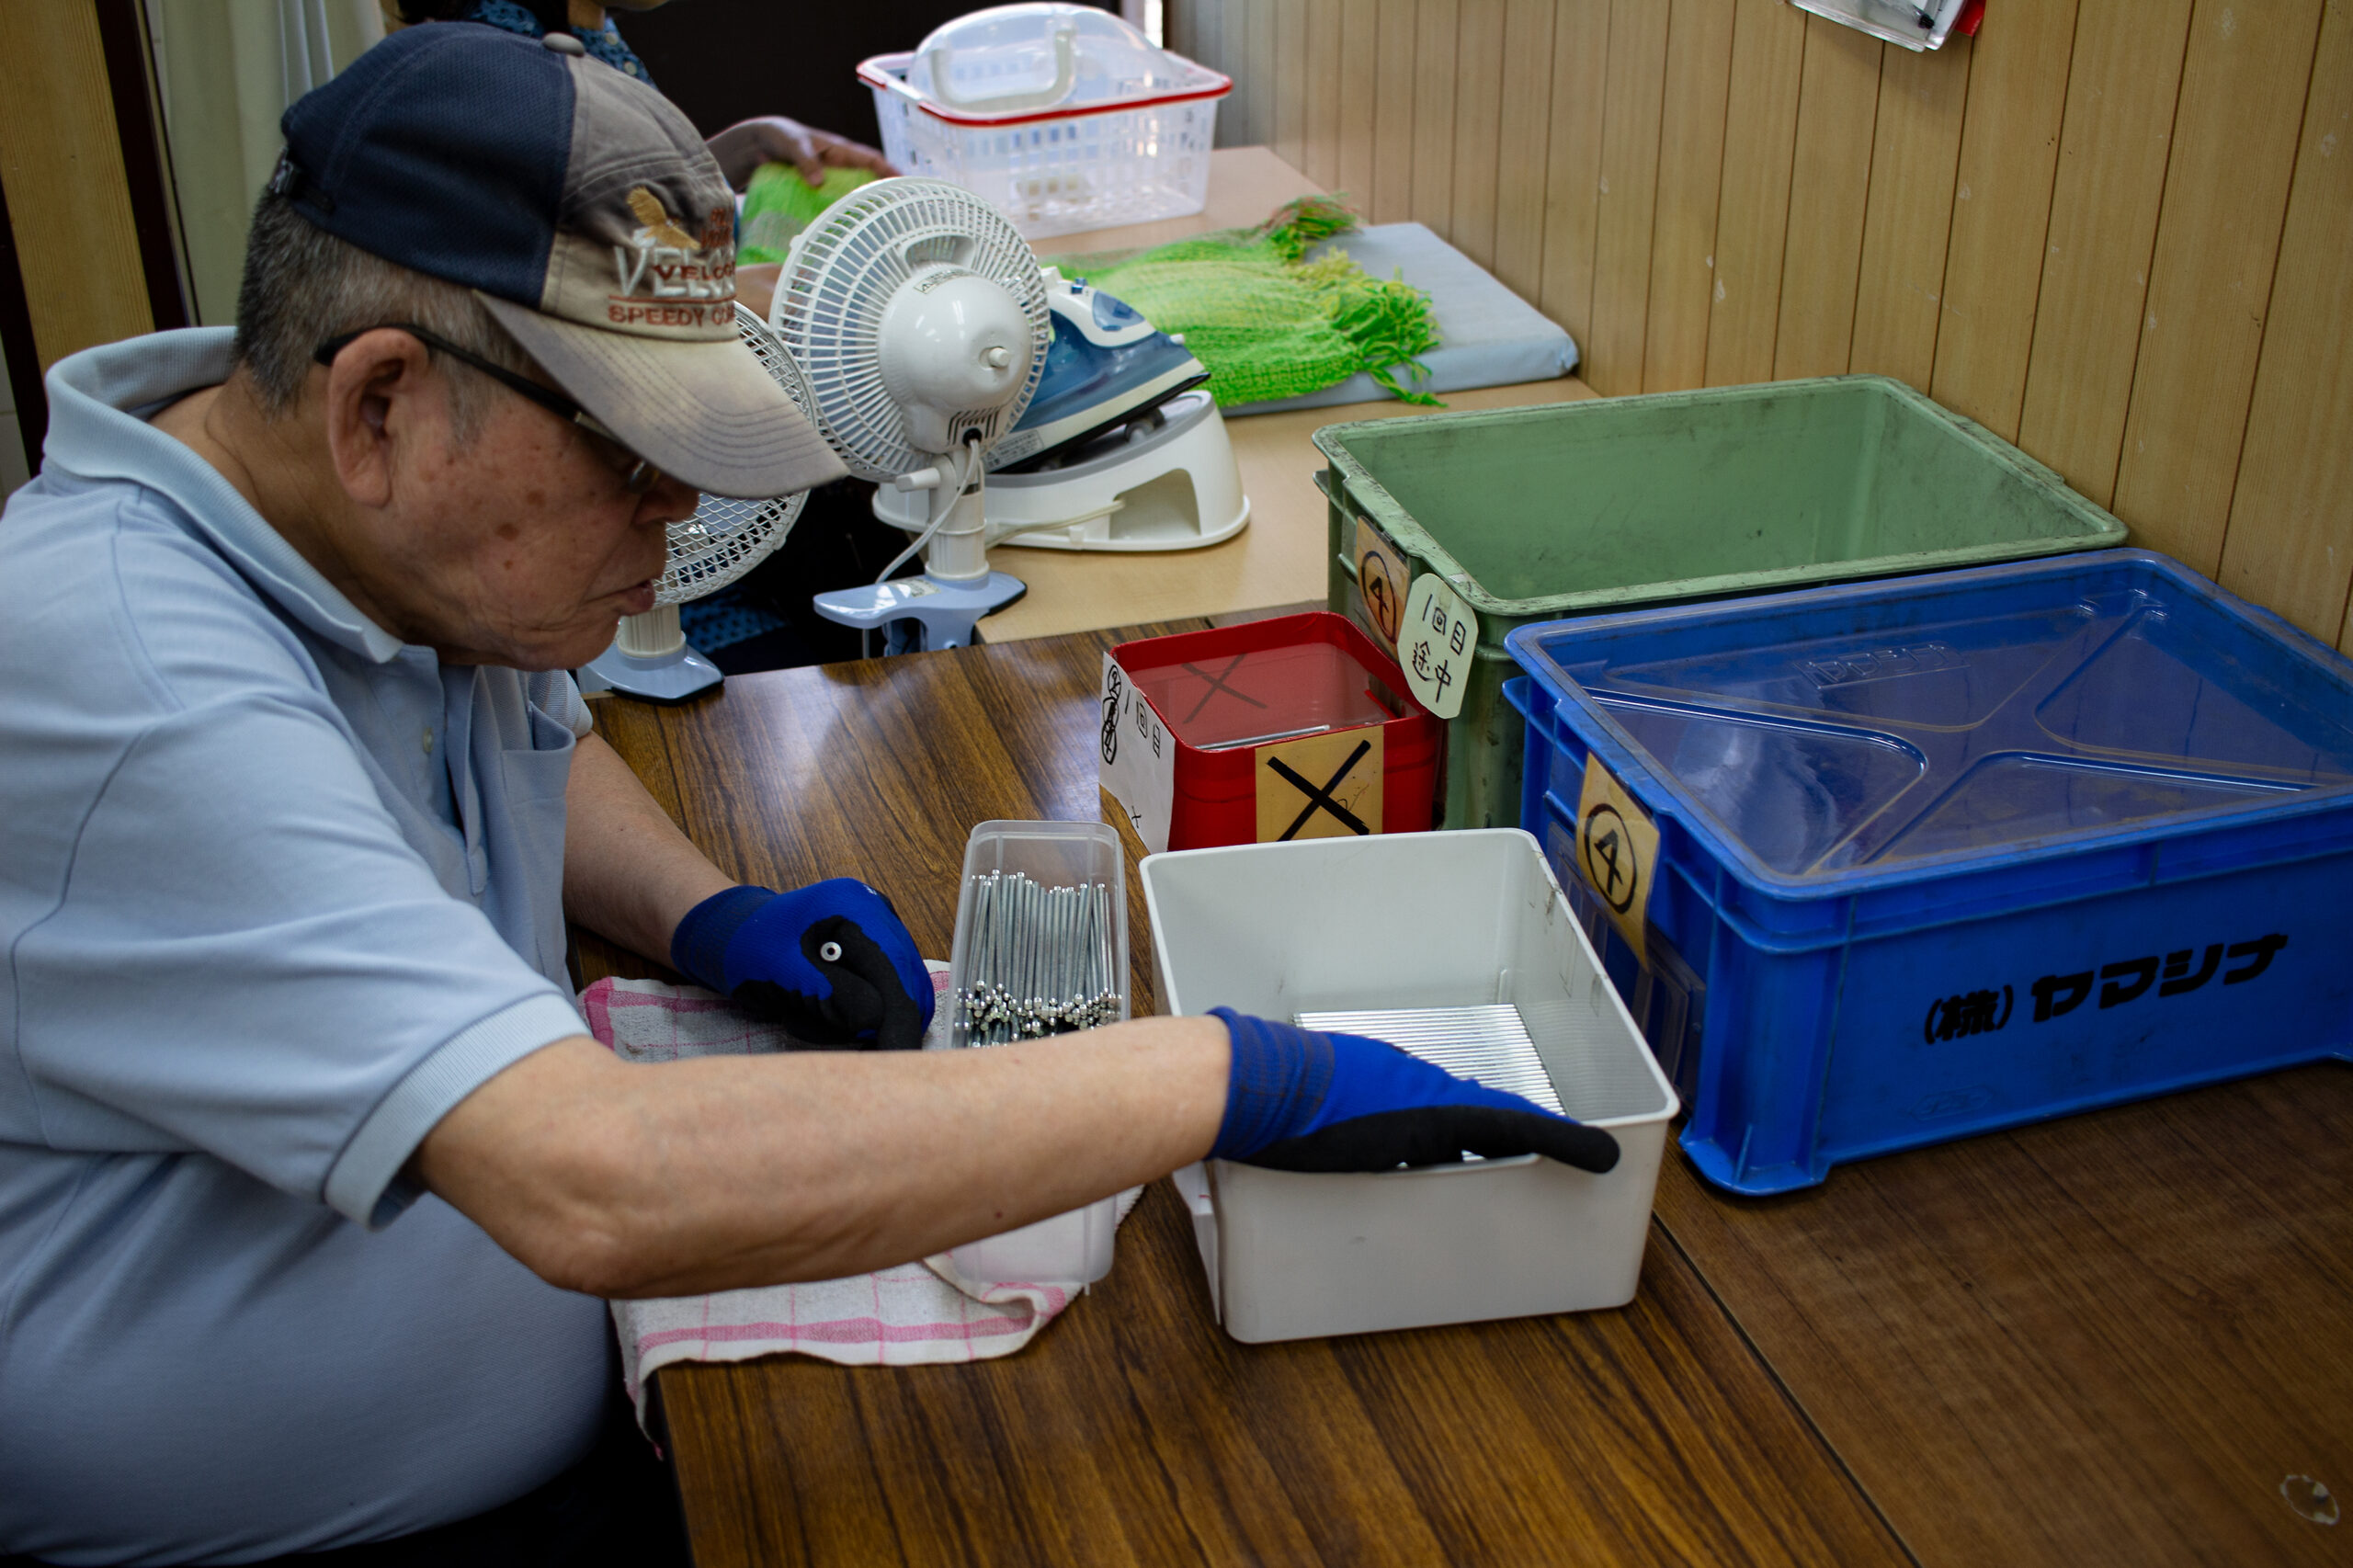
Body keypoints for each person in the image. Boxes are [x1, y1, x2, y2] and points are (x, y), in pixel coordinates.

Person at [0, 24, 1613, 1564]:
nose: (679, 504)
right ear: (380, 405)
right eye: (630, 453)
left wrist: (713, 912)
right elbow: (594, 1179)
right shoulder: (126, 680)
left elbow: (530, 752)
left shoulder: (371, 535)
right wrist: (1224, 1077)